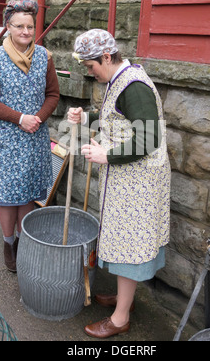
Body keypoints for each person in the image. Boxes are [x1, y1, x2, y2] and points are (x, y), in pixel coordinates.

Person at [68, 29, 171, 339]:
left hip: (139, 183)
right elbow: (117, 120)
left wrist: (106, 154)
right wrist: (85, 118)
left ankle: (120, 317)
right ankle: (123, 299)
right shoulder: (119, 79)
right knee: (125, 245)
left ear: (107, 57)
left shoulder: (134, 87)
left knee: (130, 247)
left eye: (90, 66)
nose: (90, 72)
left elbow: (149, 138)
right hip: (128, 180)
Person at [0, 0, 60, 273]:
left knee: (27, 194)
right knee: (7, 197)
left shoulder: (44, 57)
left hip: (34, 136)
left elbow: (53, 94)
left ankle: (24, 240)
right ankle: (8, 243)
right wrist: (20, 118)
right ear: (8, 27)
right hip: (6, 139)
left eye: (29, 26)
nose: (25, 31)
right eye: (19, 26)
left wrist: (39, 116)